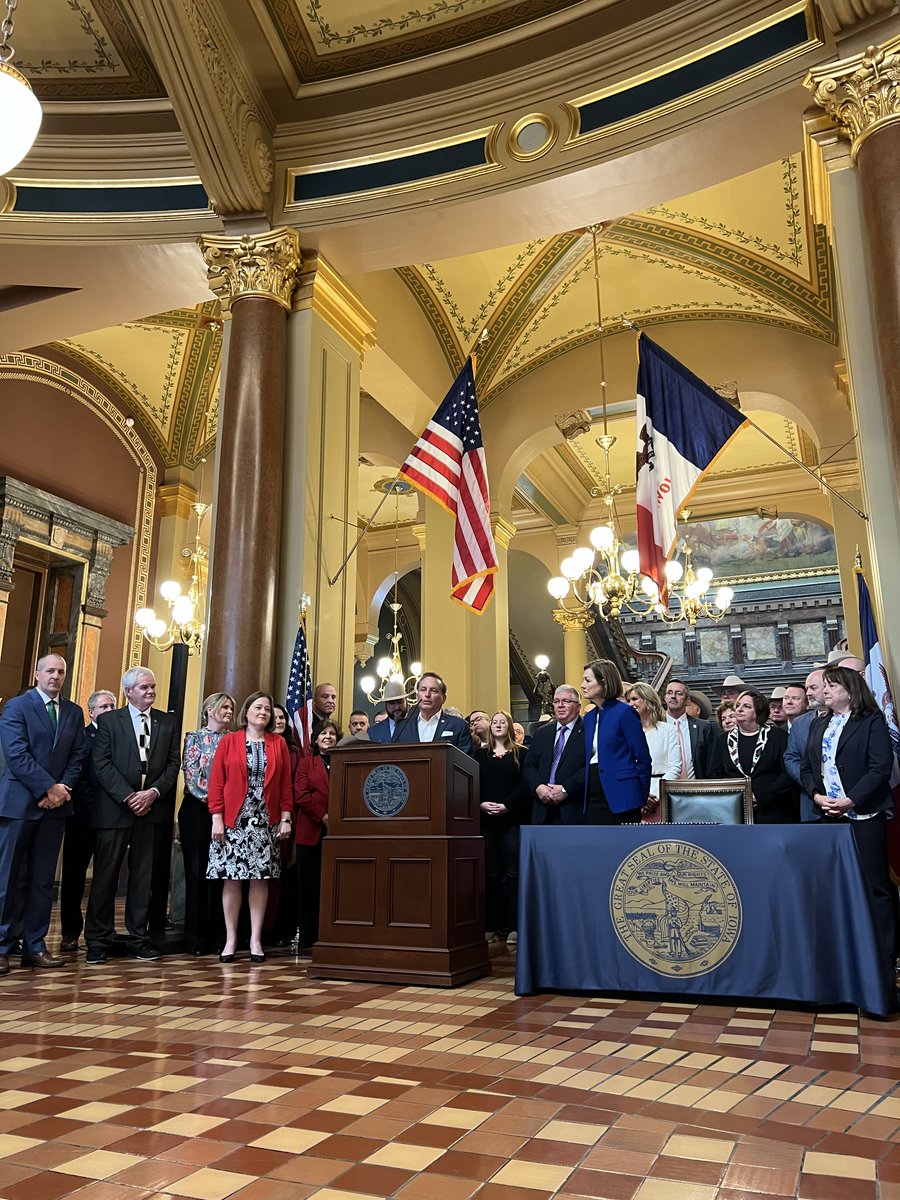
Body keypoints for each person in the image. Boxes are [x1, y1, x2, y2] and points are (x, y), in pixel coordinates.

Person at [800, 665, 895, 996]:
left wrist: (851, 800)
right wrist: (816, 794)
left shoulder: (870, 721)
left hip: (864, 814)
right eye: (823, 686)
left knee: (875, 886)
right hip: (828, 815)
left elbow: (879, 767)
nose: (824, 691)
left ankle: (885, 954)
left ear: (851, 690)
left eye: (832, 686)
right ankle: (841, 952)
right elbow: (808, 767)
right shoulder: (818, 723)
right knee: (836, 885)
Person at [86, 667, 180, 964]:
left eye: (152, 687)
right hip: (115, 809)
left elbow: (173, 764)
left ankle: (138, 938)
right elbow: (101, 764)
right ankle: (98, 940)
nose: (151, 691)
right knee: (106, 875)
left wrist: (152, 793)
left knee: (143, 877)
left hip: (151, 810)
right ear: (128, 692)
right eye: (144, 687)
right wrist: (129, 796)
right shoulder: (109, 721)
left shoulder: (167, 722)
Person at [0, 654, 86, 974]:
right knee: (8, 879)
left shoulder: (74, 712)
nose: (55, 676)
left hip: (55, 809)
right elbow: (16, 754)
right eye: (49, 670)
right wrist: (47, 788)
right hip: (19, 806)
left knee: (42, 882)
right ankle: (2, 946)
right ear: (37, 674)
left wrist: (61, 789)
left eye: (61, 672)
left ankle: (35, 946)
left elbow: (78, 756)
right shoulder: (17, 707)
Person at [206, 691, 293, 964]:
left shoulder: (277, 744)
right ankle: (231, 939)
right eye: (258, 707)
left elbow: (285, 785)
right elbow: (217, 782)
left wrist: (286, 817)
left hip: (265, 820)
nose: (263, 712)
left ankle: (255, 939)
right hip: (233, 820)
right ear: (246, 712)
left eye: (267, 709)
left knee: (260, 879)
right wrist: (216, 817)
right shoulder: (229, 742)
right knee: (231, 879)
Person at [59, 689, 117, 953]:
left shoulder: (121, 738)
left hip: (112, 819)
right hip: (82, 817)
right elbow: (77, 777)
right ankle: (70, 933)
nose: (108, 710)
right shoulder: (81, 737)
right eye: (103, 707)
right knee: (74, 877)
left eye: (112, 706)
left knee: (107, 877)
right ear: (91, 712)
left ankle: (102, 931)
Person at [179, 692, 234, 956]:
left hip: (226, 813)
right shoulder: (194, 738)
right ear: (209, 709)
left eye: (231, 708)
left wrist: (225, 808)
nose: (228, 712)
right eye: (224, 707)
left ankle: (219, 936)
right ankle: (195, 937)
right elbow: (193, 778)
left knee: (221, 874)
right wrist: (216, 807)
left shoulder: (234, 740)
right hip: (198, 811)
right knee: (197, 872)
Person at [475, 711, 525, 946]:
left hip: (511, 820)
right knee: (491, 874)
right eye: (494, 722)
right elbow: (474, 783)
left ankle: (514, 925)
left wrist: (508, 805)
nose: (497, 725)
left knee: (513, 875)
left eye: (502, 722)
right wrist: (481, 803)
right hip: (487, 821)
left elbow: (525, 785)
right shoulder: (479, 755)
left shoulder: (521, 754)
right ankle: (492, 925)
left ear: (509, 727)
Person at [581, 660, 651, 825]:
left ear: (604, 682)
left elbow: (642, 758)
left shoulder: (625, 712)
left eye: (587, 680)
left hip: (623, 796)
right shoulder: (589, 718)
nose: (582, 685)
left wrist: (640, 796)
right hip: (593, 794)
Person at [710, 690, 796, 822]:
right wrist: (736, 797)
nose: (739, 709)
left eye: (747, 706)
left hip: (773, 810)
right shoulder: (723, 740)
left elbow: (787, 774)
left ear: (758, 712)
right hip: (734, 810)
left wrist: (761, 797)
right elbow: (714, 774)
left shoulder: (778, 736)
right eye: (738, 705)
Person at [295, 719, 341, 955]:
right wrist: (323, 816)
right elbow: (301, 795)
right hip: (311, 832)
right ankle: (307, 940)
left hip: (339, 835)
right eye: (323, 733)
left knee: (333, 887)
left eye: (332, 733)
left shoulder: (344, 763)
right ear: (315, 738)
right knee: (308, 888)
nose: (328, 737)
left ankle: (331, 936)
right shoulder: (306, 763)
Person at [522, 686, 584, 824]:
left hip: (574, 808)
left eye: (566, 701)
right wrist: (538, 787)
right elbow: (529, 765)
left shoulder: (589, 730)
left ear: (578, 706)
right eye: (556, 701)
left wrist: (565, 789)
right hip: (543, 809)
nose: (560, 706)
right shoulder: (542, 732)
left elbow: (591, 767)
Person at [624, 682, 680, 822]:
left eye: (635, 699)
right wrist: (640, 795)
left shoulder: (668, 730)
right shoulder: (624, 733)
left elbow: (674, 767)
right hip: (631, 799)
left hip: (661, 799)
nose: (631, 704)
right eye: (629, 700)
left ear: (648, 700)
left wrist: (654, 795)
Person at [392, 673, 472, 751]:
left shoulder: (458, 725)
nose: (427, 694)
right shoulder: (402, 727)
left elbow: (465, 761)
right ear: (417, 696)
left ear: (443, 698)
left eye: (433, 691)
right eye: (423, 690)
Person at [784, 669, 825, 822]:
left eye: (813, 688)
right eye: (807, 688)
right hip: (811, 804)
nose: (808, 693)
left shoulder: (850, 718)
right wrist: (812, 786)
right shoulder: (800, 723)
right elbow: (791, 758)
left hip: (848, 805)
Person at [664, 678, 715, 779]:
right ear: (665, 698)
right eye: (669, 693)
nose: (673, 696)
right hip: (662, 788)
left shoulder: (703, 727)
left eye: (679, 693)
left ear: (687, 700)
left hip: (695, 788)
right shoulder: (657, 725)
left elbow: (710, 763)